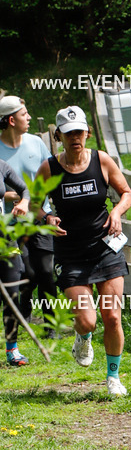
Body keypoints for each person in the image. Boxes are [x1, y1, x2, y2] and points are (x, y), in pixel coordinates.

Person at [36, 106, 131, 397]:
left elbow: (127, 193)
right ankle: (82, 336)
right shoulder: (50, 168)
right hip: (71, 252)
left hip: (106, 247)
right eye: (68, 134)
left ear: (87, 133)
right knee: (87, 319)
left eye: (79, 132)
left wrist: (116, 212)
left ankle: (113, 378)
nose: (74, 138)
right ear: (59, 137)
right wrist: (47, 218)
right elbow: (32, 203)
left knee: (113, 317)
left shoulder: (102, 161)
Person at [0, 96, 57, 349]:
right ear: (12, 120)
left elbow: (50, 173)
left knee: (45, 271)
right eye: (25, 114)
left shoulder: (36, 142)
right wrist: (14, 196)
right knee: (26, 272)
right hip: (10, 223)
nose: (30, 117)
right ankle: (23, 315)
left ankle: (51, 324)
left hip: (40, 215)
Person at [0, 159, 31, 365]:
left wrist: (23, 202)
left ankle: (12, 349)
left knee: (12, 294)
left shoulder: (1, 166)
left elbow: (24, 189)